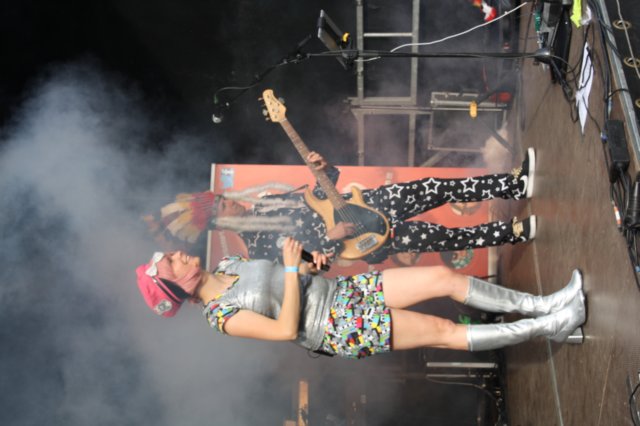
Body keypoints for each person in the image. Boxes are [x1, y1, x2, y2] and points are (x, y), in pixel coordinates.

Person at [135, 238, 586, 358]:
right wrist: (291, 270)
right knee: (443, 331)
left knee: (444, 277)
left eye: (171, 254)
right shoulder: (220, 316)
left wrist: (310, 265)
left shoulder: (229, 262)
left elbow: (294, 279)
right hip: (336, 327)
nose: (178, 254)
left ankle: (546, 305)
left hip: (343, 291)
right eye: (171, 262)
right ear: (175, 287)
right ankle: (551, 326)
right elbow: (285, 329)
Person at [153, 149, 537, 265]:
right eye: (223, 206)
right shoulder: (260, 251)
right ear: (220, 224)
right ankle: (513, 232)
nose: (231, 202)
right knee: (444, 237)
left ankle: (513, 183)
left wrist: (325, 171)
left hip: (371, 202)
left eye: (223, 198)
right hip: (368, 238)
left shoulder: (269, 201)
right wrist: (332, 238)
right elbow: (312, 266)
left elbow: (322, 195)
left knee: (438, 187)